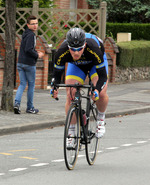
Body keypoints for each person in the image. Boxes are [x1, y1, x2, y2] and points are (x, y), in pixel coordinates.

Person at [51, 28, 108, 146]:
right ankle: (71, 133)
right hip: (77, 66)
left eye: (79, 49)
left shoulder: (93, 48)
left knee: (101, 94)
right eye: (72, 50)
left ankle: (100, 119)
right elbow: (56, 76)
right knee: (70, 95)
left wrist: (96, 90)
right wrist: (54, 88)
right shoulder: (61, 52)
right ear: (68, 47)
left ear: (85, 45)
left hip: (94, 65)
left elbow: (103, 77)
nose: (76, 53)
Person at [14, 15, 44, 114]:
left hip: (20, 63)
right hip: (29, 64)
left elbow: (27, 48)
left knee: (22, 84)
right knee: (31, 85)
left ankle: (17, 104)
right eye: (33, 24)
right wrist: (37, 55)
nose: (35, 26)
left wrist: (35, 51)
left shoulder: (25, 33)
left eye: (36, 23)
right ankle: (30, 107)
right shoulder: (31, 35)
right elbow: (28, 49)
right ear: (28, 25)